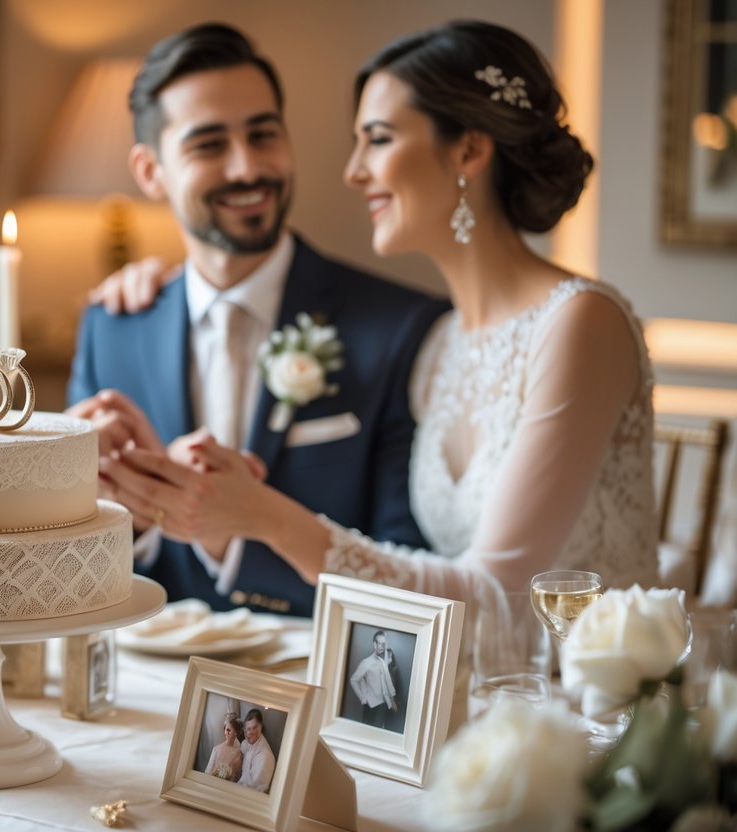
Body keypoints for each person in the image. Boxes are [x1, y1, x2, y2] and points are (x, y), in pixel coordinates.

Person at [95, 20, 658, 619]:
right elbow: (412, 557)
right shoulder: (440, 345)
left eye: (380, 139)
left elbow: (500, 595)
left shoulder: (578, 323)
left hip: (586, 698)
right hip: (451, 689)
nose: (353, 171)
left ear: (468, 149)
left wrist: (263, 514)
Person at [66, 22, 448, 618]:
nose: (247, 168)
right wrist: (124, 509)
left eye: (263, 134)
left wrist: (231, 532)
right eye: (209, 145)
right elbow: (75, 566)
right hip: (143, 681)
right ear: (149, 172)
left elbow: (408, 566)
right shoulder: (113, 328)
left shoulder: (401, 327)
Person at [350, 631, 397, 728]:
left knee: (380, 732)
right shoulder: (366, 662)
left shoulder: (383, 663)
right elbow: (353, 680)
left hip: (384, 705)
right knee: (367, 732)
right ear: (374, 644)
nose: (382, 647)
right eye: (379, 643)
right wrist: (362, 698)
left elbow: (386, 682)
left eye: (384, 644)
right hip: (372, 706)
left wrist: (392, 701)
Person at [236, 708, 276, 792]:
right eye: (248, 729)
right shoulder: (246, 743)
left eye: (254, 728)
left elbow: (251, 788)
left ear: (261, 726)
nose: (250, 733)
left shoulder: (265, 756)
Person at [204, 714, 244, 782]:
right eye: (226, 730)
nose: (227, 733)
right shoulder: (216, 749)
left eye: (229, 730)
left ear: (236, 733)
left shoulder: (238, 754)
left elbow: (237, 777)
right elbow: (207, 772)